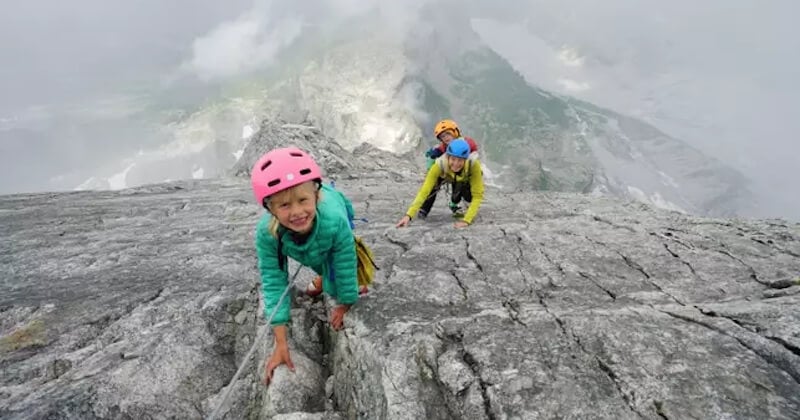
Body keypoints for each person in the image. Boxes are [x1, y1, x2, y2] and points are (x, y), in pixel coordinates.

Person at [251, 147, 360, 386]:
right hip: (310, 241)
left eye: (303, 200)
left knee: (333, 275)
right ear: (270, 209)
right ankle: (322, 278)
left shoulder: (334, 219)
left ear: (316, 195)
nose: (297, 212)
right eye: (284, 205)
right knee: (317, 258)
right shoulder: (268, 234)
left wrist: (346, 302)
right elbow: (273, 281)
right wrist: (281, 343)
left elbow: (344, 262)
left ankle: (323, 280)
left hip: (338, 223)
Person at [397, 138, 485, 228]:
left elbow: (477, 196)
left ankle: (457, 199)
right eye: (453, 159)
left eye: (460, 160)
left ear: (465, 160)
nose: (456, 164)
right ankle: (424, 210)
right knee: (431, 189)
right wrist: (408, 216)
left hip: (462, 179)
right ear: (448, 157)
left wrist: (466, 220)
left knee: (468, 197)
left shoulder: (473, 165)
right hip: (445, 175)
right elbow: (424, 191)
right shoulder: (439, 165)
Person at [420, 119, 479, 219]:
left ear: (455, 132)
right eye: (442, 136)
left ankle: (455, 203)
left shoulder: (467, 142)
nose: (446, 137)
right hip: (448, 171)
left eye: (448, 134)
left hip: (461, 173)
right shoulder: (443, 146)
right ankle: (424, 210)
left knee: (465, 195)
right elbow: (434, 153)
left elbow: (473, 153)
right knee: (434, 184)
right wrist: (431, 163)